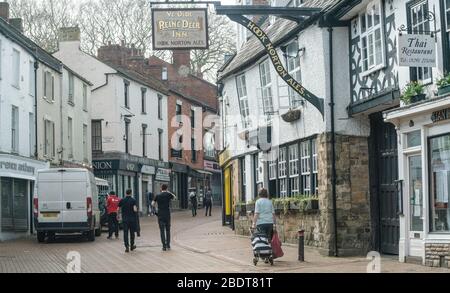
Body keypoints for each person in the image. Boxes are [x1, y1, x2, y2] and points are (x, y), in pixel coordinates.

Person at [152, 184, 176, 251]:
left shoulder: (158, 195)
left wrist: (156, 208)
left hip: (160, 214)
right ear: (167, 188)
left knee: (162, 230)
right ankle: (168, 245)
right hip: (167, 214)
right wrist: (169, 192)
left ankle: (164, 246)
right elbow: (175, 197)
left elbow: (152, 204)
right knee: (168, 230)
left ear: (161, 188)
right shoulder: (168, 195)